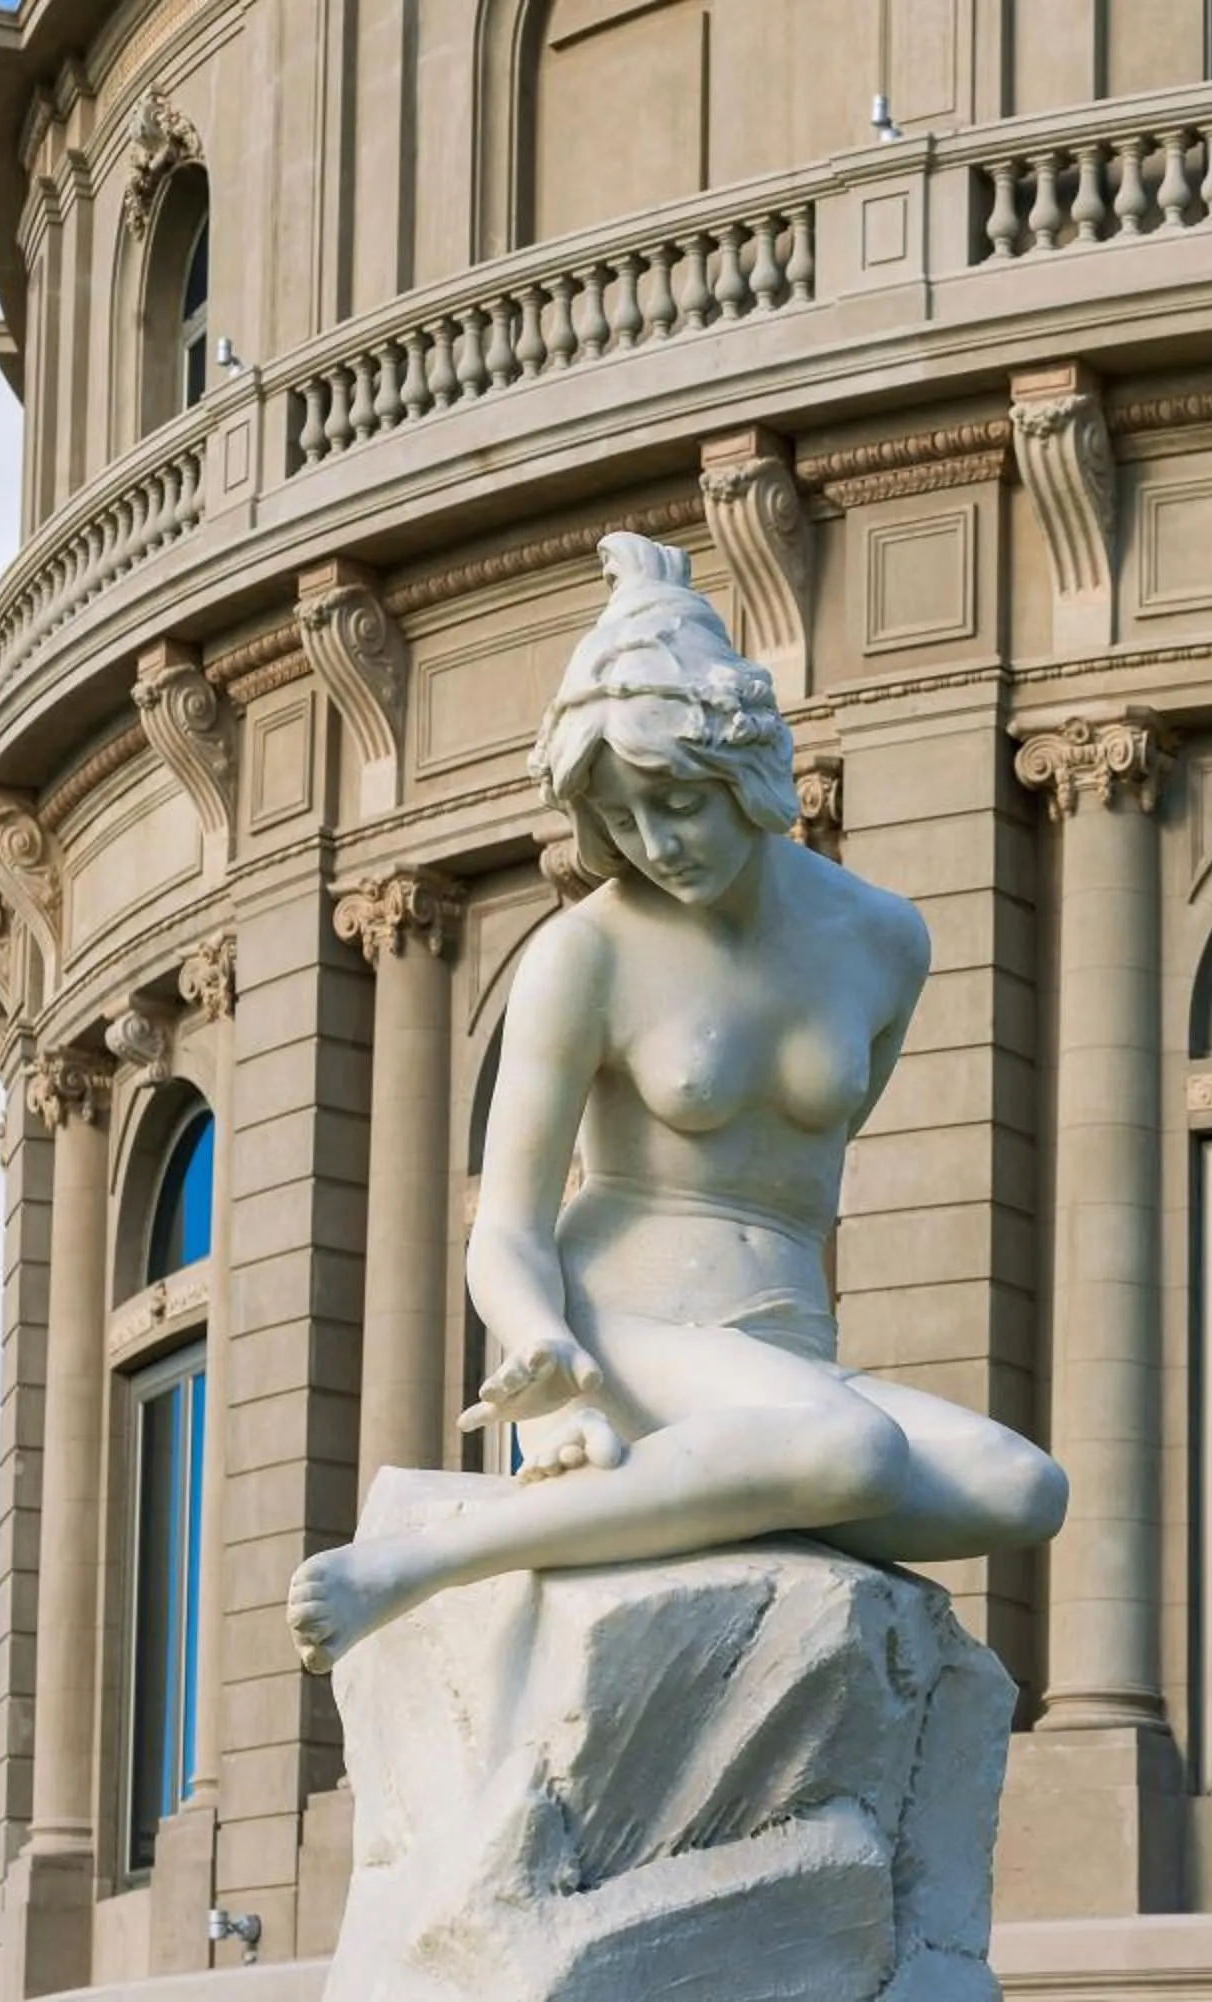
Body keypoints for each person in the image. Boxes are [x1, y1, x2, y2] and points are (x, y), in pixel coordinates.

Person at [286, 534, 1065, 1672]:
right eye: (623, 817)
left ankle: (706, 1490)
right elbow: (505, 1221)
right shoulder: (584, 955)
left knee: (1020, 1486)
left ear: (744, 769)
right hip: (620, 1331)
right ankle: (430, 1559)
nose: (657, 846)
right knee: (849, 1455)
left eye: (679, 804)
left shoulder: (884, 941)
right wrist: (543, 1342)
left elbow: (809, 1171)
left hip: (786, 1346)